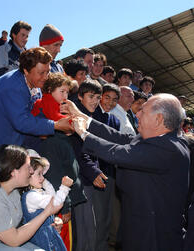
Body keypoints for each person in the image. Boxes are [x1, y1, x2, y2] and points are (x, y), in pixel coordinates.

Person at [68, 93, 189, 251]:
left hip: (154, 236)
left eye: (143, 111)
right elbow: (119, 138)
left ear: (159, 119)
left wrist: (84, 134)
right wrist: (85, 118)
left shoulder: (171, 148)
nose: (137, 114)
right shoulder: (156, 138)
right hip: (138, 225)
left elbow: (119, 153)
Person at [0, 47, 72, 161]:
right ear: (26, 70)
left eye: (48, 71)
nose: (46, 77)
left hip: (6, 143)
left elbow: (35, 114)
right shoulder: (12, 86)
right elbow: (22, 121)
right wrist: (56, 125)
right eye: (41, 73)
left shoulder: (35, 85)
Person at [0, 144, 63, 250]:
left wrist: (52, 221)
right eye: (28, 167)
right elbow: (14, 240)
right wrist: (46, 213)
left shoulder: (15, 191)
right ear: (14, 172)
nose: (31, 171)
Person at [69, 80, 108, 251]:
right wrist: (93, 172)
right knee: (85, 228)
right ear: (79, 96)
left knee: (89, 227)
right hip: (80, 180)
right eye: (90, 96)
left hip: (87, 177)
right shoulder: (76, 118)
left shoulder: (89, 116)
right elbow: (79, 150)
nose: (95, 101)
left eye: (98, 98)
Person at [22, 153, 73, 251]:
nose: (42, 178)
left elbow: (52, 195)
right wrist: (65, 187)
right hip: (40, 241)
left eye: (42, 174)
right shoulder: (31, 196)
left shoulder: (39, 192)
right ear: (28, 174)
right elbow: (55, 203)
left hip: (48, 236)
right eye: (39, 174)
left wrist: (44, 181)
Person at [92, 83, 121, 251]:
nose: (110, 103)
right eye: (107, 97)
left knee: (107, 213)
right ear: (100, 96)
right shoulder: (92, 114)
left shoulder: (115, 120)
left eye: (114, 100)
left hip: (109, 169)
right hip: (94, 170)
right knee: (98, 213)